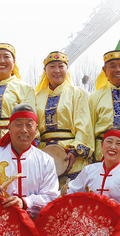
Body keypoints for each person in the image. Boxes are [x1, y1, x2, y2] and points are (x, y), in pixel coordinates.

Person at [0, 104, 59, 218]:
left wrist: (25, 203)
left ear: (36, 129)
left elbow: (51, 197)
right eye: (18, 124)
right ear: (9, 128)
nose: (24, 130)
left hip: (34, 222)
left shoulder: (46, 161)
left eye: (29, 125)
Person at [34, 51, 94, 186]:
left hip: (72, 155)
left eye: (61, 66)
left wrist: (74, 151)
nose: (57, 71)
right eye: (52, 67)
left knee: (73, 196)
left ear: (67, 69)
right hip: (44, 155)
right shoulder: (37, 96)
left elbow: (84, 125)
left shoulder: (77, 93)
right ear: (45, 70)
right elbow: (33, 126)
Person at [66, 127, 120, 206]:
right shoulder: (88, 170)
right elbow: (70, 191)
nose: (112, 147)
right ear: (102, 144)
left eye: (118, 143)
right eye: (109, 141)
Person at [0, 43, 36, 144]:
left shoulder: (24, 88)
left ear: (14, 61)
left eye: (6, 57)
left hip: (13, 143)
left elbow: (30, 120)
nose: (2, 61)